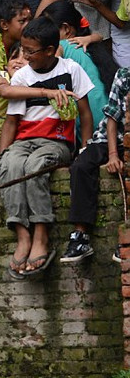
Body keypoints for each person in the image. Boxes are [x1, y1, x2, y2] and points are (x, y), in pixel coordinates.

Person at [0, 17, 94, 278]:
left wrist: (84, 149)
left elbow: (85, 115)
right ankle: (22, 234)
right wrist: (0, 156)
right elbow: (11, 122)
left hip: (56, 143)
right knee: (11, 164)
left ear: (50, 50)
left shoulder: (71, 69)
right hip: (23, 141)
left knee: (35, 166)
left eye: (30, 51)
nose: (25, 56)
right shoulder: (22, 76)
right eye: (23, 50)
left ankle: (41, 232)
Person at [61, 66, 128, 264]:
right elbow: (112, 117)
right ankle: (80, 237)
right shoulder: (125, 75)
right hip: (110, 138)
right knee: (80, 167)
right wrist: (113, 155)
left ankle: (127, 239)